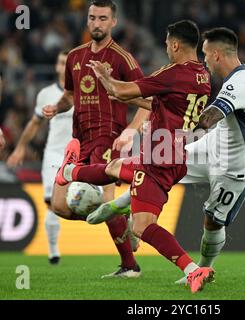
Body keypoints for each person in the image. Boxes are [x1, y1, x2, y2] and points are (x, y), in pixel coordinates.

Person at [69, 27, 245, 286]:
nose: (204, 59)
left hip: (235, 166)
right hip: (211, 145)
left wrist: (173, 121)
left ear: (217, 54)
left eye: (206, 54)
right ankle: (122, 205)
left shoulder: (237, 84)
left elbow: (209, 118)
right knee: (161, 162)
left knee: (212, 221)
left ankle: (202, 268)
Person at [54, 20, 214, 293]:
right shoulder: (202, 74)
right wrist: (126, 96)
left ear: (175, 44)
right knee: (116, 166)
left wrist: (105, 77)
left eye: (166, 44)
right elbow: (156, 101)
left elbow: (120, 90)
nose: (165, 49)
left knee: (142, 227)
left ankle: (192, 270)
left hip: (157, 160)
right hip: (174, 156)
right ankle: (69, 173)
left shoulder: (174, 73)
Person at [42, 0, 150, 278]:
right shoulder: (75, 57)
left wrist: (131, 130)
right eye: (92, 18)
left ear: (114, 22)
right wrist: (56, 107)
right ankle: (120, 221)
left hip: (109, 138)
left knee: (106, 200)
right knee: (60, 207)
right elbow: (69, 95)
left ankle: (129, 266)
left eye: (103, 18)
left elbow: (147, 100)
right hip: (80, 139)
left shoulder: (123, 58)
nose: (96, 23)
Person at [6, 50, 72, 264]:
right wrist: (20, 147)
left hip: (81, 154)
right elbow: (35, 122)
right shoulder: (46, 94)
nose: (64, 66)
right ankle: (53, 250)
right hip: (53, 152)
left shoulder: (85, 90)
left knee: (92, 199)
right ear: (56, 66)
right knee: (52, 203)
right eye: (61, 62)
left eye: (68, 62)